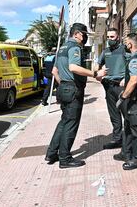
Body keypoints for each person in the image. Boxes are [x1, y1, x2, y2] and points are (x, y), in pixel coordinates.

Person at [45, 23, 107, 169]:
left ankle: (52, 153)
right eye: (83, 34)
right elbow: (73, 67)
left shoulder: (61, 48)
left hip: (63, 88)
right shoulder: (75, 47)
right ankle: (65, 159)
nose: (84, 37)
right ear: (77, 34)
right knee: (71, 124)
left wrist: (64, 85)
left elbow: (54, 71)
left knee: (64, 122)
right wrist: (95, 74)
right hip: (72, 89)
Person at [114, 33, 137, 170]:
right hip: (133, 98)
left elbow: (134, 81)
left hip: (135, 99)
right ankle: (126, 152)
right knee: (127, 126)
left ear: (130, 44)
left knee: (135, 128)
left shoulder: (135, 60)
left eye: (126, 42)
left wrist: (123, 97)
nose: (124, 44)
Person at [98, 27, 130, 149]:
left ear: (118, 37)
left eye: (112, 37)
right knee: (114, 115)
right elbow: (98, 65)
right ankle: (117, 139)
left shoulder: (124, 50)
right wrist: (98, 73)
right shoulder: (105, 51)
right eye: (108, 37)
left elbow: (131, 65)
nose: (110, 39)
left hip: (121, 86)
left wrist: (125, 79)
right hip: (109, 87)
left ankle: (128, 141)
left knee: (126, 114)